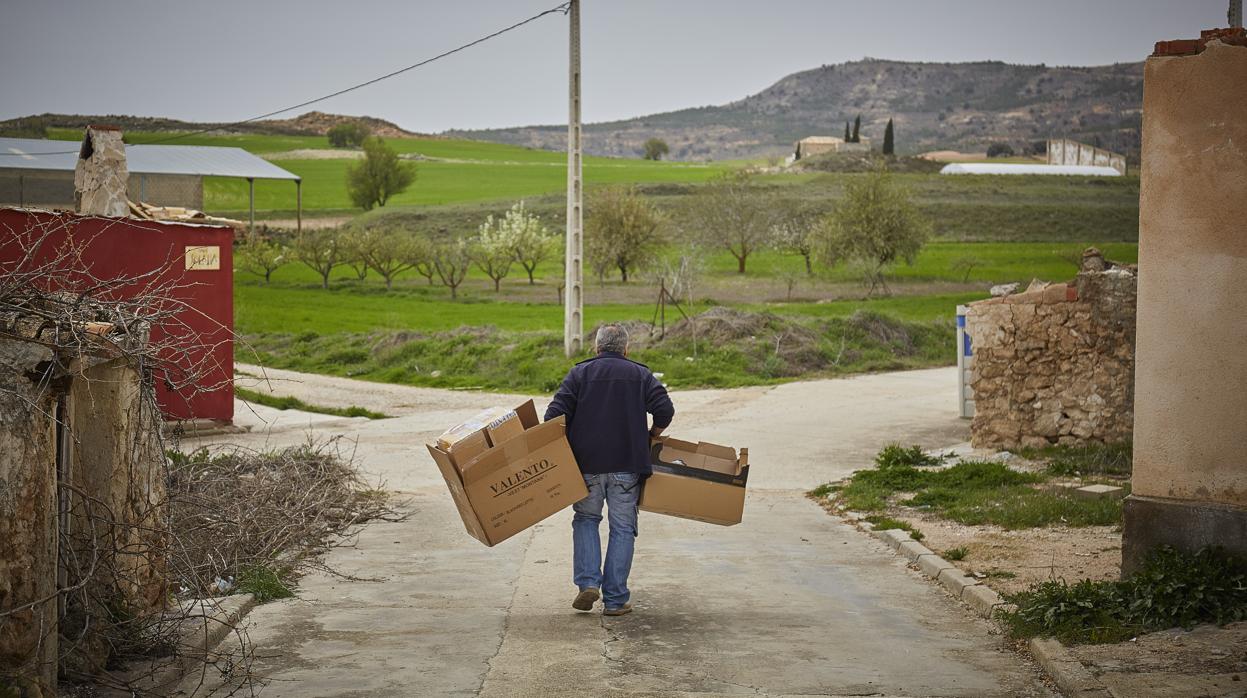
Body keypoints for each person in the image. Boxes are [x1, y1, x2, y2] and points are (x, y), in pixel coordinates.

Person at [544, 324, 674, 616]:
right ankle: (615, 600)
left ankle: (588, 583)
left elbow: (553, 416)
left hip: (585, 465)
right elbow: (665, 409)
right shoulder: (640, 374)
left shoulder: (579, 373)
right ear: (626, 349)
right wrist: (654, 433)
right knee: (623, 528)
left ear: (596, 348)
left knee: (586, 519)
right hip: (627, 466)